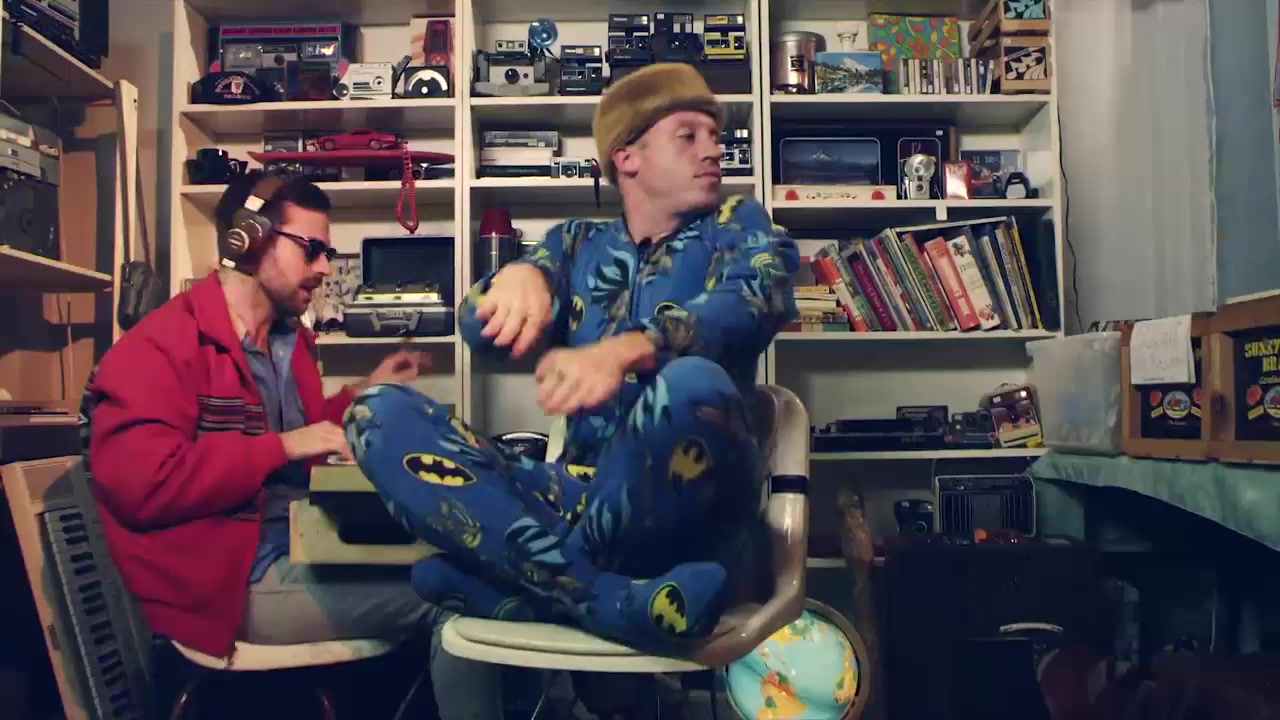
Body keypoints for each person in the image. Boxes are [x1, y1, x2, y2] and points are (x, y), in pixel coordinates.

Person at [343, 62, 799, 660]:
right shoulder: (576, 243)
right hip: (579, 497)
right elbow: (479, 331)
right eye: (688, 135)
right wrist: (518, 276)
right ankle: (607, 601)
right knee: (375, 412)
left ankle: (531, 587)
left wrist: (628, 349)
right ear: (626, 156)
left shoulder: (736, 223)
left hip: (696, 508)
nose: (713, 149)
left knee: (692, 382)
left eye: (715, 135)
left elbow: (758, 296)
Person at [82, 173, 503, 720]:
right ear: (248, 240)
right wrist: (281, 446)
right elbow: (143, 485)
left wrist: (363, 392)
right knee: (459, 605)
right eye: (312, 249)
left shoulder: (289, 341)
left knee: (467, 563)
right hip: (227, 587)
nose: (325, 268)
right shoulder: (160, 345)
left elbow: (302, 440)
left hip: (301, 543)